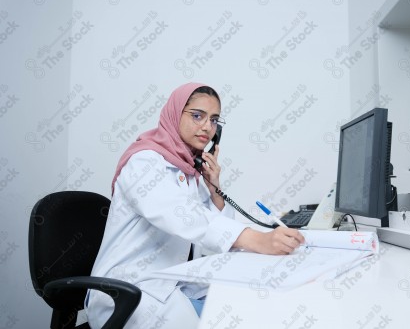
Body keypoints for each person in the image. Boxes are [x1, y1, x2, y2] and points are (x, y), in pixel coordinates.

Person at [85, 82, 305, 328]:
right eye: (197, 116)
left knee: (251, 307)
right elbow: (181, 217)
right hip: (129, 291)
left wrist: (214, 189)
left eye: (213, 120)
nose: (206, 127)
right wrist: (258, 240)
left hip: (172, 285)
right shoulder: (144, 162)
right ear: (174, 114)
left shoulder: (190, 170)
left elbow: (218, 238)